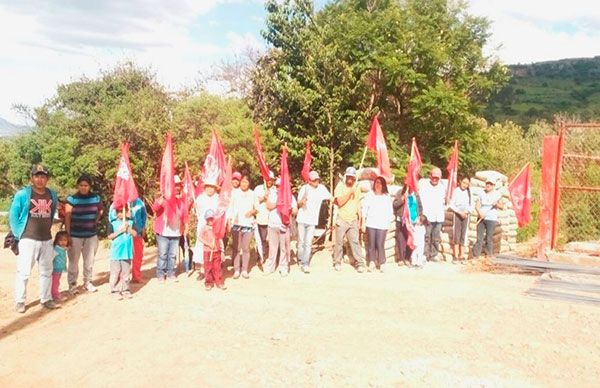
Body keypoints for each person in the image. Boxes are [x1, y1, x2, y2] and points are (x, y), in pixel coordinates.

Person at [10, 164, 59, 313]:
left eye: (43, 176)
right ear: (32, 178)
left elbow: (51, 214)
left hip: (46, 238)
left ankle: (46, 298)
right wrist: (19, 234)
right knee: (24, 271)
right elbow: (14, 215)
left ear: (47, 179)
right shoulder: (23, 194)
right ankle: (20, 301)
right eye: (37, 176)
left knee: (46, 270)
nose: (40, 179)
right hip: (28, 239)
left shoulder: (52, 195)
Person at [65, 174, 103, 294]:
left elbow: (100, 210)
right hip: (75, 235)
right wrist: (68, 234)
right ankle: (72, 284)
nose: (83, 187)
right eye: (81, 185)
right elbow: (67, 216)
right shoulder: (72, 199)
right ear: (78, 186)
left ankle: (88, 282)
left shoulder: (96, 198)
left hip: (91, 235)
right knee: (73, 261)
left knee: (89, 261)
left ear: (89, 186)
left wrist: (95, 221)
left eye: (86, 185)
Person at [152, 175, 188, 282]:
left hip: (176, 232)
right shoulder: (164, 199)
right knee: (163, 254)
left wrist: (185, 226)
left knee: (172, 255)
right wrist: (162, 199)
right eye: (175, 185)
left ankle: (171, 273)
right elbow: (155, 208)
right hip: (163, 231)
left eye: (178, 185)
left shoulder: (182, 200)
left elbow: (185, 215)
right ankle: (161, 274)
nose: (177, 187)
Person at [296, 170, 332, 273]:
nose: (316, 181)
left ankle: (305, 263)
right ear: (309, 181)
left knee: (308, 243)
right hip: (302, 219)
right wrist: (302, 202)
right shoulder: (304, 188)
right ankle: (300, 259)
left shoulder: (321, 188)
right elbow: (298, 203)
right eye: (314, 180)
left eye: (317, 179)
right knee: (301, 242)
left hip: (312, 221)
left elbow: (330, 197)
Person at [332, 167, 366, 272]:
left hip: (353, 220)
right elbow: (339, 202)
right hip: (342, 218)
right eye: (349, 177)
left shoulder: (357, 188)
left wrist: (361, 220)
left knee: (355, 242)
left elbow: (358, 204)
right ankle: (337, 262)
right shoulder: (340, 187)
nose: (350, 179)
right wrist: (350, 192)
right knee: (339, 242)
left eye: (352, 177)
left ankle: (359, 263)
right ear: (346, 177)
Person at [264, 178, 298, 277]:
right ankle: (270, 267)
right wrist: (278, 204)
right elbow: (268, 206)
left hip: (284, 225)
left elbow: (295, 211)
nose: (280, 188)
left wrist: (290, 208)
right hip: (272, 225)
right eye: (278, 186)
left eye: (282, 186)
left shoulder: (290, 196)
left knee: (284, 248)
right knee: (272, 248)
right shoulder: (272, 194)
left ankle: (283, 267)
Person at [109, 198, 147, 283]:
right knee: (123, 257)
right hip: (121, 236)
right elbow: (111, 218)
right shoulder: (115, 204)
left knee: (137, 255)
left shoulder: (139, 202)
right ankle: (120, 279)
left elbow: (144, 215)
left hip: (136, 231)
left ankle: (136, 276)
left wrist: (144, 227)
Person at [361, 176, 394, 272]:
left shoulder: (386, 196)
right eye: (376, 183)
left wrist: (388, 223)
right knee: (371, 244)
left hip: (382, 225)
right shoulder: (369, 195)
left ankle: (382, 262)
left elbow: (390, 211)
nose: (378, 185)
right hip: (371, 223)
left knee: (380, 244)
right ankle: (372, 262)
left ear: (383, 185)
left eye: (380, 183)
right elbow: (364, 209)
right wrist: (363, 222)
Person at [229, 174, 256, 279]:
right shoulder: (234, 193)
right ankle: (236, 270)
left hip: (248, 224)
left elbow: (257, 208)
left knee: (245, 248)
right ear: (240, 182)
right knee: (236, 248)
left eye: (246, 182)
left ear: (249, 183)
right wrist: (230, 221)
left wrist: (252, 211)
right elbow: (230, 208)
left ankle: (244, 269)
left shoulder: (252, 194)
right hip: (236, 224)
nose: (244, 184)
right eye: (243, 181)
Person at [107, 204, 136, 300]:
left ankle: (125, 290)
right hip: (116, 252)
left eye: (123, 211)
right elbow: (109, 236)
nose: (121, 214)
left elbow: (135, 234)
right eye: (119, 212)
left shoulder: (131, 222)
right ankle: (114, 290)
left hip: (127, 252)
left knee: (126, 273)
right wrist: (120, 231)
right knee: (115, 272)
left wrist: (128, 229)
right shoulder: (113, 223)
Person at [418, 167, 447, 262]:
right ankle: (425, 254)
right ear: (430, 176)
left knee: (436, 237)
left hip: (438, 216)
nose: (435, 179)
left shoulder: (443, 187)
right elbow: (420, 201)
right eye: (433, 177)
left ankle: (434, 254)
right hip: (427, 216)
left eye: (437, 178)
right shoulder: (424, 186)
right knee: (426, 236)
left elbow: (445, 201)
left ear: (440, 178)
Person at [473, 179, 505, 259]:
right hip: (481, 218)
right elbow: (477, 206)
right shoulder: (481, 193)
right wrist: (480, 213)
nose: (488, 185)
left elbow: (502, 206)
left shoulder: (497, 195)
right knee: (479, 238)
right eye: (487, 183)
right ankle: (476, 255)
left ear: (493, 186)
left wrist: (496, 204)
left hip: (491, 219)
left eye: (490, 184)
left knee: (489, 237)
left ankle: (488, 254)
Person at [393, 185, 422, 266]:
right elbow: (395, 205)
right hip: (402, 220)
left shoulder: (416, 194)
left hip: (412, 221)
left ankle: (407, 258)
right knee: (401, 240)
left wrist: (419, 217)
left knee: (411, 239)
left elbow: (420, 207)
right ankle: (401, 259)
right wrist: (402, 199)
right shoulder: (400, 192)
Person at [194, 177, 220, 268]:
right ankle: (202, 268)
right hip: (203, 225)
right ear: (205, 188)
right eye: (208, 187)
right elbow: (197, 212)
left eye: (212, 187)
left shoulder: (218, 199)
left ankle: (213, 268)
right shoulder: (200, 198)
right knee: (202, 245)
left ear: (215, 188)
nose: (209, 189)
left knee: (214, 246)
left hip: (214, 226)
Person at [200, 209, 226, 290]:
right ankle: (208, 283)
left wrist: (222, 250)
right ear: (206, 219)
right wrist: (208, 244)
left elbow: (220, 239)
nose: (211, 220)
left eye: (212, 219)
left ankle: (219, 282)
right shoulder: (204, 228)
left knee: (217, 267)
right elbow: (200, 238)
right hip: (207, 251)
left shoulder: (217, 228)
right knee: (208, 267)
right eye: (209, 219)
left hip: (216, 251)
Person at [254, 171, 276, 262]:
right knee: (262, 239)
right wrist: (263, 197)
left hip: (273, 218)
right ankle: (261, 256)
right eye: (268, 179)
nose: (269, 181)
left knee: (271, 240)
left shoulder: (275, 189)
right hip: (261, 218)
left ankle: (272, 256)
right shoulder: (258, 188)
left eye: (271, 179)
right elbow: (254, 201)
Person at [449, 176, 472, 263]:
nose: (465, 185)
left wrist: (466, 212)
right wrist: (459, 212)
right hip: (457, 214)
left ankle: (462, 255)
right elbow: (452, 204)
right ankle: (456, 255)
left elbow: (471, 205)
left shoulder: (469, 192)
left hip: (466, 215)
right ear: (460, 182)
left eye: (467, 184)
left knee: (464, 234)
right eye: (464, 183)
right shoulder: (456, 191)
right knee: (457, 234)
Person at [228, 171, 243, 260]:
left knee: (236, 242)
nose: (236, 182)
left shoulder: (240, 191)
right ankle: (220, 261)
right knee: (223, 240)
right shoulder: (226, 190)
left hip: (236, 219)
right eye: (234, 179)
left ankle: (235, 260)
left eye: (238, 180)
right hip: (226, 218)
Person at [51, 231, 69, 302]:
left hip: (59, 268)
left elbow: (65, 249)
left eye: (65, 240)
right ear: (57, 240)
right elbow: (51, 258)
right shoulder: (56, 249)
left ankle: (54, 292)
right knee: (55, 282)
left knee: (56, 281)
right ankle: (55, 294)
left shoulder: (62, 248)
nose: (63, 242)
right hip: (55, 269)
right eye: (60, 240)